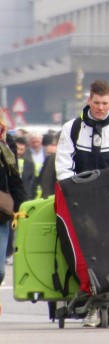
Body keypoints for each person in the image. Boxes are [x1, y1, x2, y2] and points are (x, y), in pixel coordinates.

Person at [55, 79, 109, 328]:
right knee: (86, 254)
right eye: (96, 103)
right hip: (80, 204)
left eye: (105, 103)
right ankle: (95, 302)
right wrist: (73, 195)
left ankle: (107, 304)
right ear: (89, 101)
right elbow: (64, 165)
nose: (101, 108)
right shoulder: (71, 128)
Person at [0, 116, 25, 301]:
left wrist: (21, 206)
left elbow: (14, 177)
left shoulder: (6, 140)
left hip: (1, 211)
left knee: (0, 270)